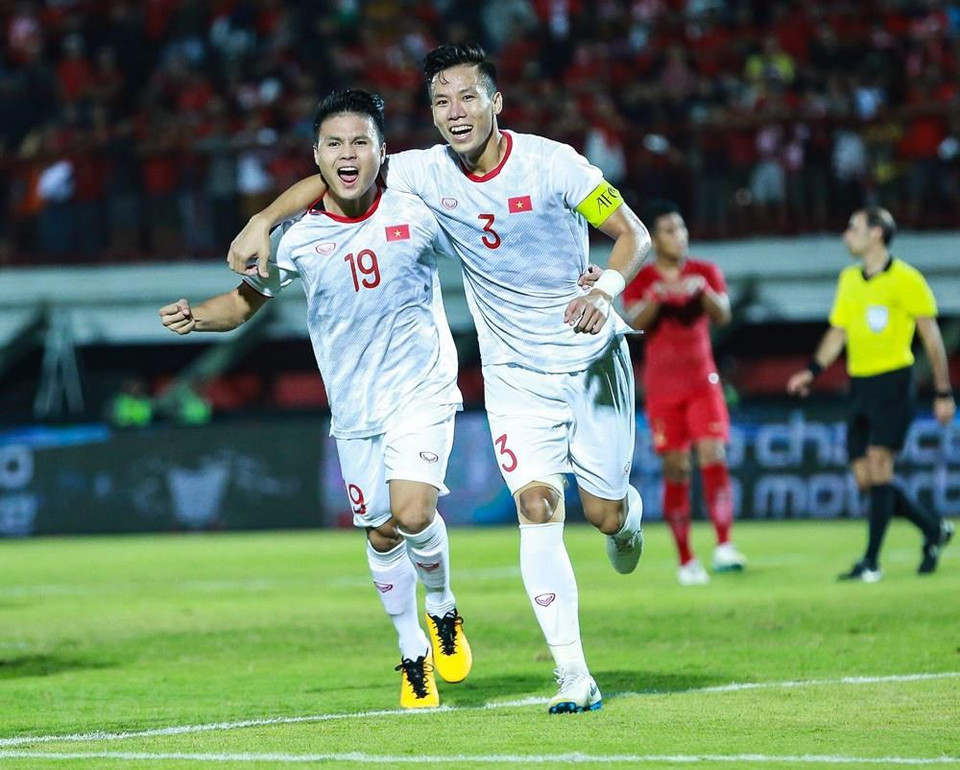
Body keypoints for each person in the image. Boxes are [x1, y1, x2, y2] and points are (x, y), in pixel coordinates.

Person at [225, 44, 651, 714]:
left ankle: (626, 520)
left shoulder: (554, 164)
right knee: (537, 506)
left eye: (467, 97)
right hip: (514, 373)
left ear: (495, 102)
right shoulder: (421, 172)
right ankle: (573, 674)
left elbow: (633, 234)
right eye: (441, 101)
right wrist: (262, 220)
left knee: (602, 514)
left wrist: (612, 286)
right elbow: (340, 172)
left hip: (591, 355)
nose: (455, 112)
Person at [159, 89, 472, 708]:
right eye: (334, 144)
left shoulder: (420, 207)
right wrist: (197, 317)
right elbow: (242, 305)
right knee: (383, 534)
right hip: (354, 412)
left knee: (413, 514)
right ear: (316, 155)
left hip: (422, 389)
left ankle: (442, 607)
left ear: (385, 153)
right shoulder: (299, 240)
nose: (348, 154)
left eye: (361, 142)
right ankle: (411, 652)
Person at [787, 206, 955, 581]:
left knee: (880, 466)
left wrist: (944, 392)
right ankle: (933, 529)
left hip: (894, 383)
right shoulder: (849, 279)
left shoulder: (907, 279)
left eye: (854, 227)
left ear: (876, 233)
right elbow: (839, 332)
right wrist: (811, 371)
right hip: (860, 384)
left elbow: (931, 337)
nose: (847, 234)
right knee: (867, 479)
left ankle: (871, 563)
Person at [621, 200, 747, 586]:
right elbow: (634, 322)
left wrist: (703, 292)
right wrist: (660, 297)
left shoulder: (704, 271)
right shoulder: (643, 279)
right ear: (655, 239)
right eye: (670, 231)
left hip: (702, 384)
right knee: (676, 467)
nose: (680, 236)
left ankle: (724, 545)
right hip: (663, 389)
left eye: (681, 228)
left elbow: (723, 313)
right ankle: (686, 559)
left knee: (713, 451)